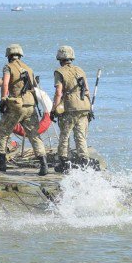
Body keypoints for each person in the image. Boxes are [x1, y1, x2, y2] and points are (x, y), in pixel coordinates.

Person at [0, 44, 47, 175]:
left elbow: (5, 83)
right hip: (30, 104)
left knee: (2, 131)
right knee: (34, 135)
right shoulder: (29, 68)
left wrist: (3, 99)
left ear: (8, 56)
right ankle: (43, 163)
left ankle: (1, 161)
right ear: (20, 55)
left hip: (16, 105)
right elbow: (34, 87)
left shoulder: (8, 67)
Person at [51, 45, 92, 173]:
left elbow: (59, 93)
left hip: (70, 107)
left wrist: (53, 110)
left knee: (65, 135)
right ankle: (84, 161)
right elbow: (87, 90)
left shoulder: (59, 71)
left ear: (59, 58)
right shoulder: (80, 70)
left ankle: (64, 162)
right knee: (80, 136)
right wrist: (90, 108)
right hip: (84, 106)